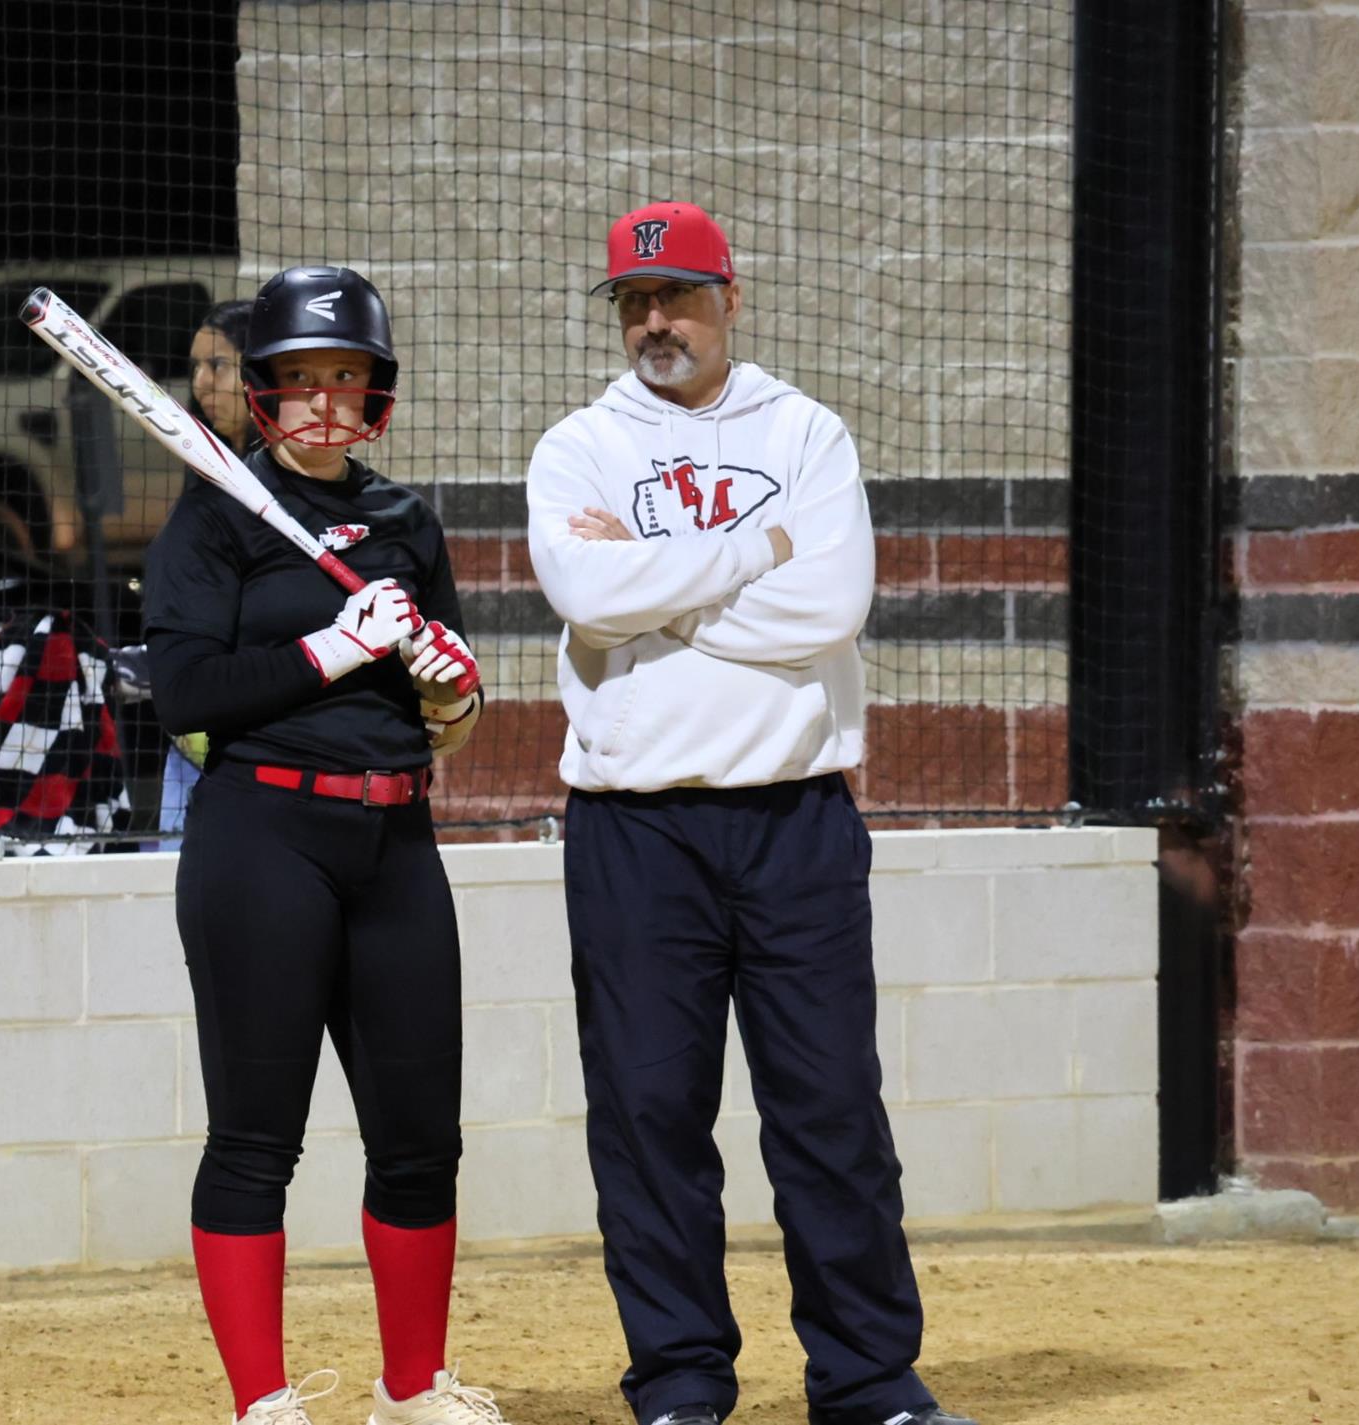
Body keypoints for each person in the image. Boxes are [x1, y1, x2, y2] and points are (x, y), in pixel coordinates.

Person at [525, 202, 977, 1425]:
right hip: (633, 830)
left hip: (793, 821)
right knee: (647, 1116)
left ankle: (870, 1381)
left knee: (830, 1110)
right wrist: (749, 548)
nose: (654, 320)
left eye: (675, 296)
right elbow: (581, 588)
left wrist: (656, 590)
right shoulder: (575, 448)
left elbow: (822, 612)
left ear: (733, 300)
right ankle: (678, 1385)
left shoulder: (806, 434)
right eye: (632, 301)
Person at [140, 265, 503, 1425]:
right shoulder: (215, 515)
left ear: (374, 396)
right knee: (257, 1139)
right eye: (300, 384)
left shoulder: (402, 521)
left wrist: (449, 694)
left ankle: (412, 1390)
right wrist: (331, 650)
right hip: (261, 837)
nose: (323, 408)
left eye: (345, 383)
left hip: (395, 837)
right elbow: (184, 693)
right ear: (264, 395)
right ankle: (265, 1404)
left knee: (419, 1142)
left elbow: (436, 706)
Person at [157, 297, 259, 849]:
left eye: (217, 365)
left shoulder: (284, 481)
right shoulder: (203, 463)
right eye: (194, 366)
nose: (200, 383)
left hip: (255, 736)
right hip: (195, 726)